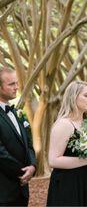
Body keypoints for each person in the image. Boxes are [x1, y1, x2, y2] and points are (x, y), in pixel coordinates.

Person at [46, 81, 87, 206]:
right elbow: (53, 161)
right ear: (73, 97)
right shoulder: (64, 124)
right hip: (70, 185)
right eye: (86, 95)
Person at [0, 67, 37, 207]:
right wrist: (23, 172)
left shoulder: (17, 113)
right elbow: (1, 153)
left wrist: (33, 166)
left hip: (22, 192)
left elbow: (29, 144)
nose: (16, 87)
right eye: (11, 84)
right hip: (3, 192)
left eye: (16, 83)